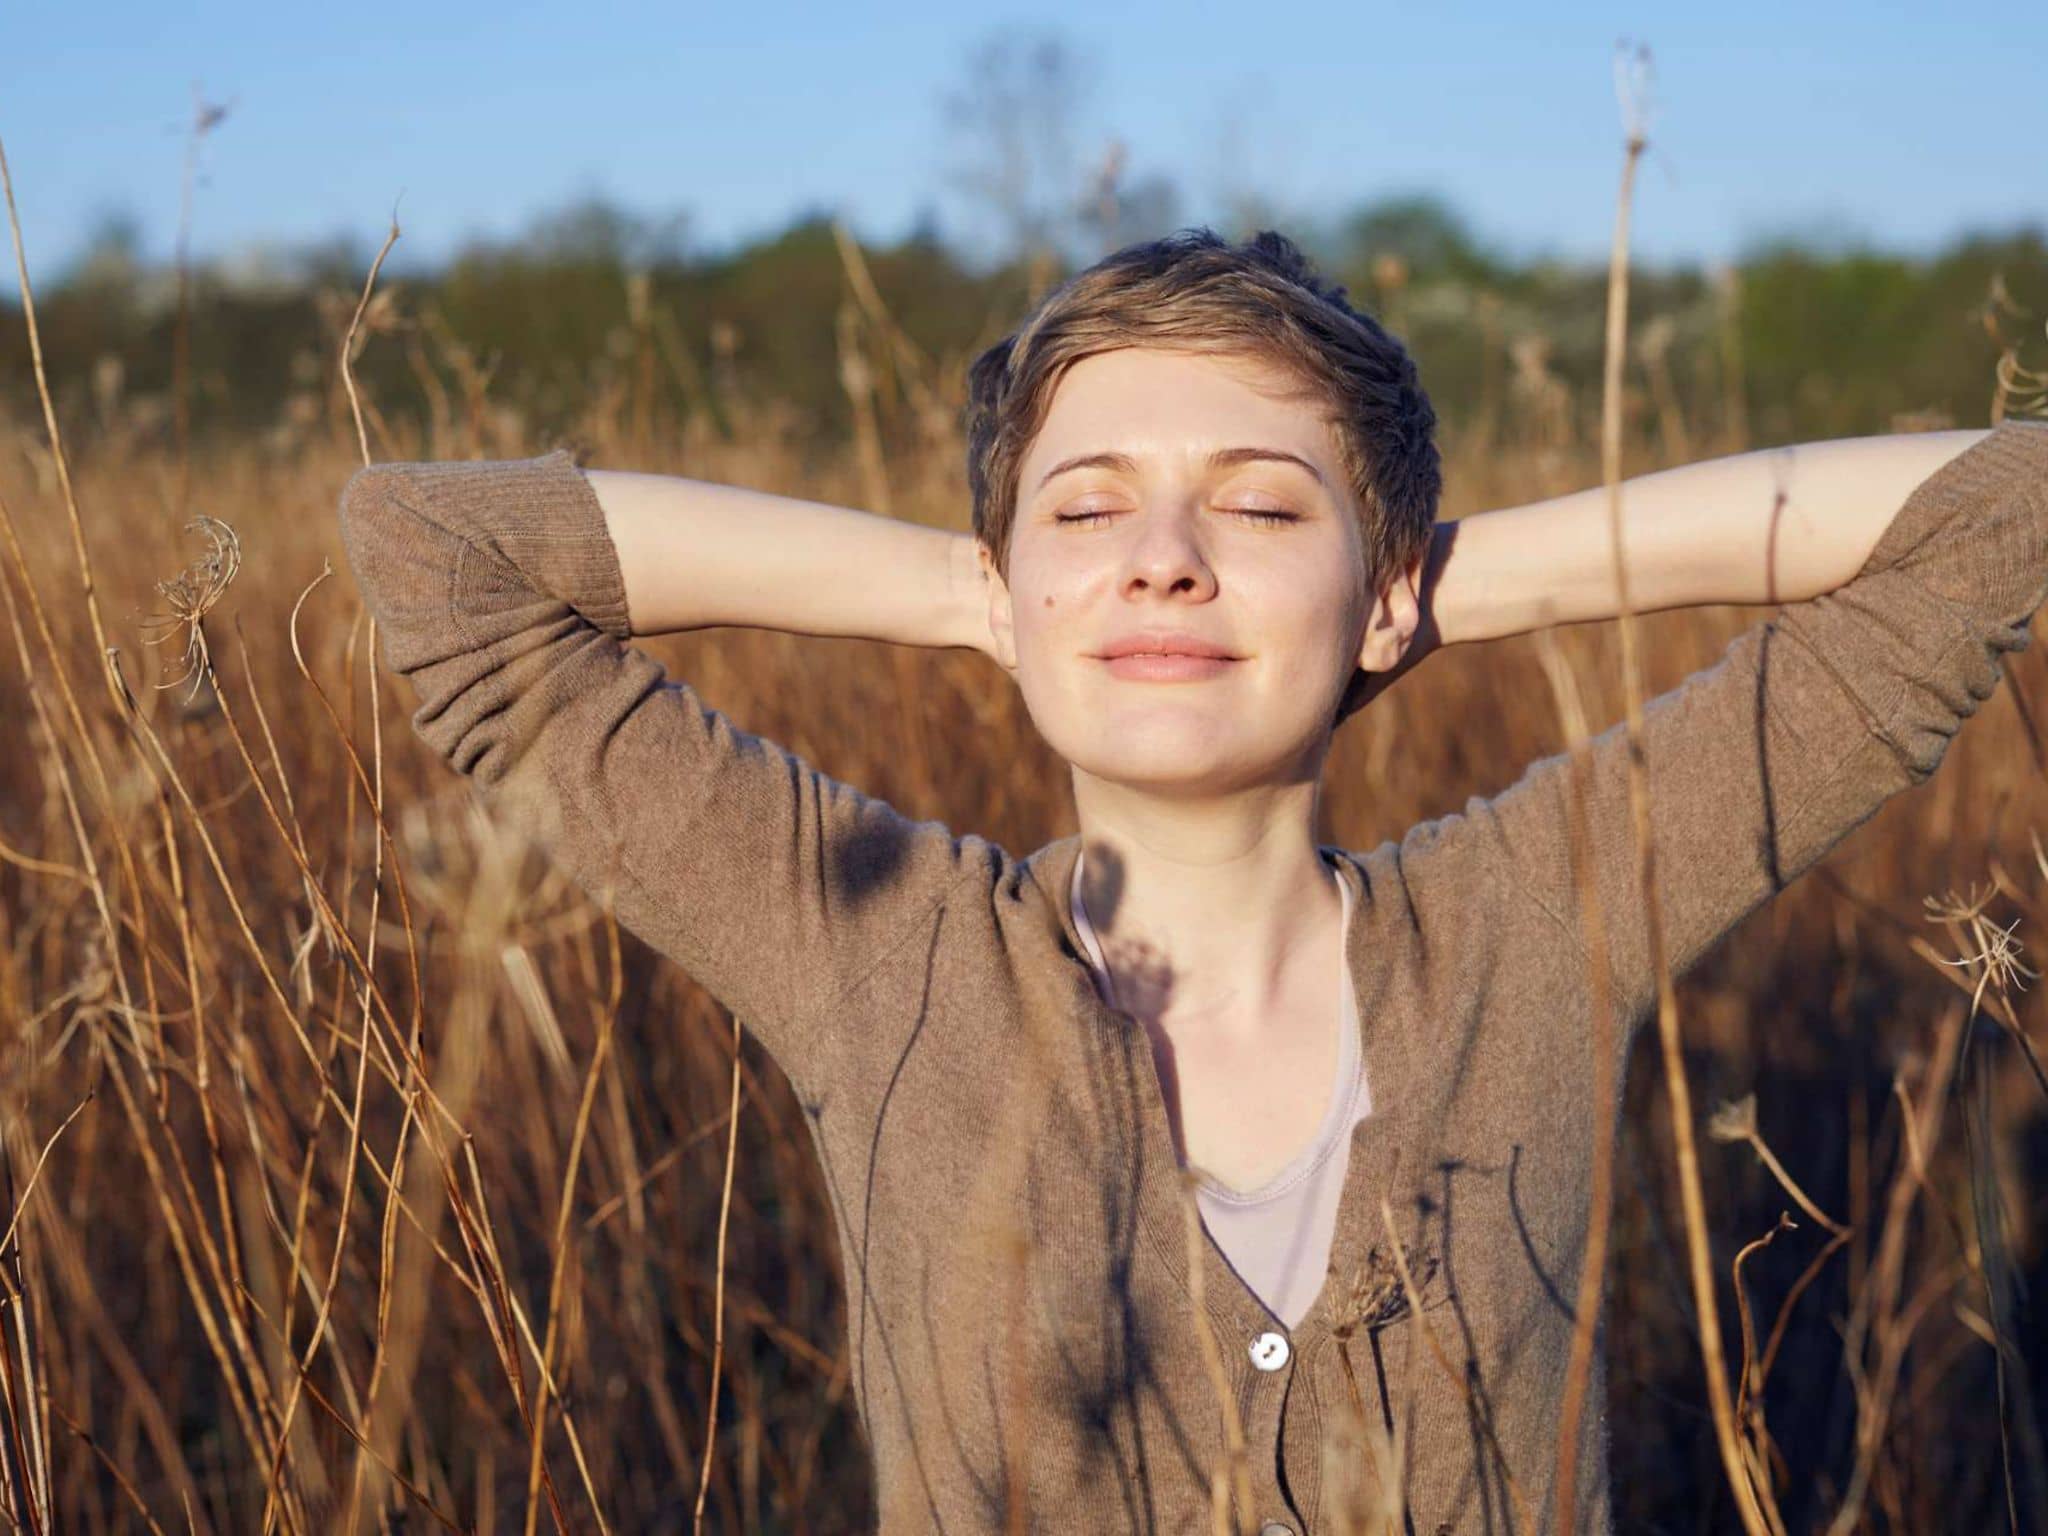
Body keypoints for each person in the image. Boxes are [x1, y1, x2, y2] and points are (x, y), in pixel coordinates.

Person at [336, 227, 2048, 1534]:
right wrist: (982, 594)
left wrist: (1426, 589)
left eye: (1257, 510)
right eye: (1088, 513)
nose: (1164, 557)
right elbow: (438, 554)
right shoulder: (867, 942)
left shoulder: (1540, 918)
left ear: (1384, 597)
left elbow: (2000, 510)